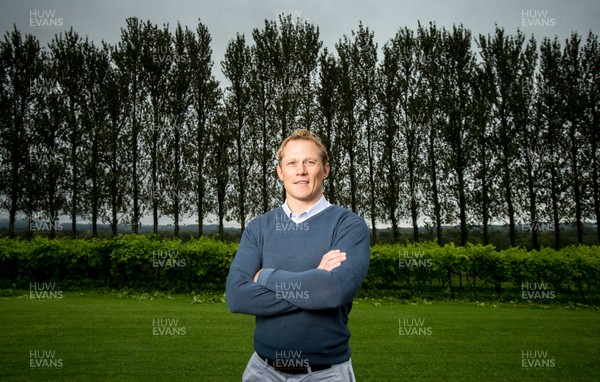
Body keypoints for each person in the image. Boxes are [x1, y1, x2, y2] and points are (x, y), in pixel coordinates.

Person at [226, 128, 371, 381]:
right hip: (262, 371)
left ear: (325, 170)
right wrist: (314, 281)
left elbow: (332, 292)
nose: (301, 170)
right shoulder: (258, 227)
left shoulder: (348, 225)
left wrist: (266, 277)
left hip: (325, 373)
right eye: (292, 162)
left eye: (309, 162)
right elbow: (238, 297)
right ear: (280, 172)